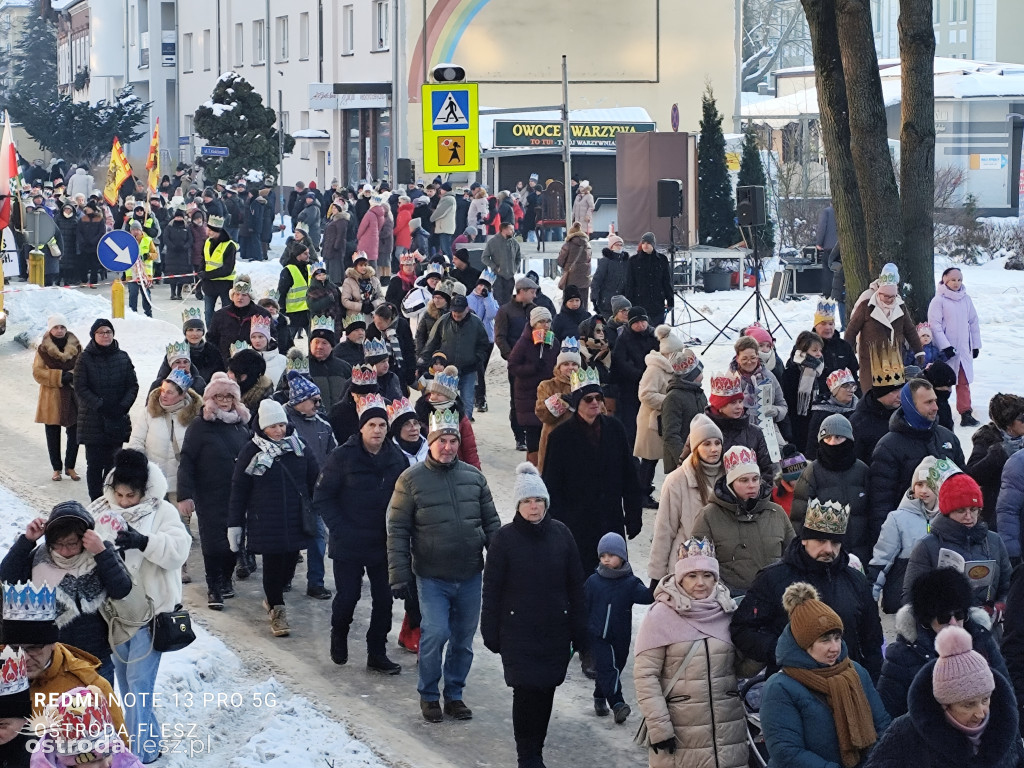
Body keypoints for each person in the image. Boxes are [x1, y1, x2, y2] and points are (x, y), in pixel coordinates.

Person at [387, 407, 501, 723]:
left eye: (453, 440)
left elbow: (492, 524)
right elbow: (397, 528)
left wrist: (504, 565)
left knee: (463, 639)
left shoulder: (474, 478)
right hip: (432, 575)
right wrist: (398, 573)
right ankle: (428, 695)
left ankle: (454, 694)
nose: (448, 446)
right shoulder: (410, 480)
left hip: (469, 574)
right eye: (442, 440)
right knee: (435, 633)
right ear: (431, 442)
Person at [481, 463, 587, 768]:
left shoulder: (561, 535)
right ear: (518, 505)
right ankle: (526, 755)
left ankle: (536, 749)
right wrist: (490, 629)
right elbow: (492, 588)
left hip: (554, 631)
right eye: (527, 501)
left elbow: (575, 586)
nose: (533, 507)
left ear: (546, 503)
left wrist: (580, 631)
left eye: (538, 500)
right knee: (525, 693)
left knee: (546, 691)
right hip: (517, 632)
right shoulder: (505, 539)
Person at [89, 449, 189, 764]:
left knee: (138, 686)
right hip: (115, 615)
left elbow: (178, 551)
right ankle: (151, 744)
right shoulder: (100, 509)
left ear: (143, 490)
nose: (124, 501)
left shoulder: (163, 511)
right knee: (127, 684)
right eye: (118, 494)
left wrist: (143, 542)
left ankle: (134, 756)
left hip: (152, 614)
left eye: (130, 495)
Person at [634, 538, 755, 768]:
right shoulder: (660, 615)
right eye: (692, 576)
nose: (701, 583)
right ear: (680, 578)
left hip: (728, 735)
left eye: (707, 575)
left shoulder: (728, 610)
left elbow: (737, 670)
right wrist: (659, 728)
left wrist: (758, 651)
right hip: (680, 736)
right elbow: (645, 677)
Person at [730, 500, 884, 679]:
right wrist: (781, 650)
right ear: (804, 539)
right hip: (792, 683)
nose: (828, 549)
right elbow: (742, 629)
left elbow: (872, 641)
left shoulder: (856, 581)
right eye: (820, 540)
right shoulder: (773, 578)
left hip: (845, 680)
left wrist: (870, 685)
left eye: (835, 542)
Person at [313, 393, 406, 672]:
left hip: (382, 542)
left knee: (383, 600)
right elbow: (323, 497)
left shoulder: (396, 457)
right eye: (371, 425)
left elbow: (405, 496)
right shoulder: (342, 456)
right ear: (361, 428)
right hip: (349, 542)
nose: (377, 430)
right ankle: (339, 633)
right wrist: (341, 528)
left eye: (381, 425)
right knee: (349, 595)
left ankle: (376, 652)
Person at [0, 502, 132, 687]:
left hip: (95, 659)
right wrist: (27, 541)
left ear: (85, 538)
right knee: (51, 714)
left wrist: (102, 553)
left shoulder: (99, 553)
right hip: (51, 660)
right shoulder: (39, 558)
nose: (64, 551)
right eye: (58, 544)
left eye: (72, 544)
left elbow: (121, 589)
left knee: (101, 711)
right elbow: (5, 581)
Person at [760, 583, 890, 768]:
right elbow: (786, 752)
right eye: (825, 640)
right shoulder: (780, 687)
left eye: (837, 638)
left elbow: (882, 724)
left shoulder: (856, 672)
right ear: (805, 644)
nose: (835, 647)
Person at [867, 625, 1022, 768]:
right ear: (945, 704)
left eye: (985, 699)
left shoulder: (1006, 725)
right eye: (968, 704)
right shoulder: (905, 734)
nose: (981, 713)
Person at [228, 400, 319, 637]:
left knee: (289, 564)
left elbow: (315, 479)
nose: (279, 431)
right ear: (262, 428)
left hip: (295, 517)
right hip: (265, 520)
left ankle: (275, 596)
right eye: (273, 427)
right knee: (272, 565)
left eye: (282, 425)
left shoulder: (299, 447)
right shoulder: (252, 450)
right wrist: (235, 523)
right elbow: (239, 489)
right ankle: (277, 608)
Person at [543, 369, 644, 576]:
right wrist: (557, 526)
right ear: (578, 401)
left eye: (598, 397)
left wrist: (634, 513)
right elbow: (552, 485)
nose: (595, 402)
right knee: (581, 581)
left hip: (611, 519)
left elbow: (629, 474)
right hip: (577, 523)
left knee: (614, 580)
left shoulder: (615, 429)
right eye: (589, 398)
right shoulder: (561, 437)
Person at [876, 567, 1008, 720]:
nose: (953, 623)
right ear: (927, 619)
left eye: (959, 615)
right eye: (944, 618)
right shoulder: (903, 654)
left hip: (983, 736)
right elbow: (887, 713)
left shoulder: (982, 640)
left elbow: (1006, 698)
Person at [177, 373, 252, 607]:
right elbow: (187, 460)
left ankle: (226, 578)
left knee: (234, 539)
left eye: (229, 396)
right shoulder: (200, 426)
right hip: (209, 493)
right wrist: (184, 495)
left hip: (237, 494)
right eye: (218, 395)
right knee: (212, 541)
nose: (224, 400)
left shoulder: (241, 426)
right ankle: (213, 587)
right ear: (210, 397)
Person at [691, 446, 794, 595]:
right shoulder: (708, 516)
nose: (752, 485)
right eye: (744, 480)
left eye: (755, 479)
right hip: (728, 601)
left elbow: (793, 558)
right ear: (731, 483)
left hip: (773, 599)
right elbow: (698, 565)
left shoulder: (777, 513)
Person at [904, 473, 1010, 612]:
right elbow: (910, 597)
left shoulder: (994, 541)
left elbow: (1008, 586)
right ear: (948, 512)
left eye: (973, 510)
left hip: (987, 627)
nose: (969, 516)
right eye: (961, 511)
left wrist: (1000, 607)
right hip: (945, 627)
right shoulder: (927, 546)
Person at [868, 457, 959, 614]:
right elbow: (882, 559)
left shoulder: (949, 518)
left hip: (940, 598)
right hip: (903, 595)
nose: (923, 490)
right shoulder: (897, 518)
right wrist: (870, 597)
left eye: (929, 485)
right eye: (919, 484)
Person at [869, 378, 965, 523]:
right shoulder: (888, 447)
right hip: (909, 532)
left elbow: (963, 483)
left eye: (935, 400)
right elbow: (881, 504)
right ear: (911, 406)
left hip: (949, 528)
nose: (936, 407)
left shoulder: (947, 437)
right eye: (928, 402)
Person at [584, 532, 654, 723]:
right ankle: (617, 704)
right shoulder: (593, 581)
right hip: (598, 636)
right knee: (608, 669)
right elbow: (583, 606)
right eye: (603, 556)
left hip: (621, 636)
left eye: (611, 556)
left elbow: (648, 597)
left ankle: (600, 697)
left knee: (616, 667)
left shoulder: (630, 583)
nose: (606, 560)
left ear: (622, 557)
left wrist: (657, 579)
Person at [649, 415, 724, 585]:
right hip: (685, 568)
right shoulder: (677, 480)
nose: (714, 449)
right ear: (696, 447)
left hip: (720, 571)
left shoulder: (730, 478)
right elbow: (664, 530)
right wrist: (657, 576)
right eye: (707, 444)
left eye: (717, 443)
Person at [790, 414, 873, 563]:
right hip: (825, 556)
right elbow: (799, 520)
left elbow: (872, 513)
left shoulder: (863, 471)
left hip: (861, 556)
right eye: (827, 438)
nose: (833, 443)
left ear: (849, 440)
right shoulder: (811, 473)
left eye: (838, 437)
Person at [74, 319, 139, 501]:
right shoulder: (85, 358)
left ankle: (110, 498)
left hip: (117, 419)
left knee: (113, 464)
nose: (105, 335)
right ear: (94, 335)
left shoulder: (122, 357)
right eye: (101, 332)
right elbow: (80, 387)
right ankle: (96, 500)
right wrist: (100, 404)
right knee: (94, 464)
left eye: (108, 332)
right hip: (93, 420)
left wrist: (122, 406)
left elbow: (132, 385)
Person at [846, 263, 925, 392]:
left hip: (893, 359)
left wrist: (918, 350)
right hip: (870, 359)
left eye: (892, 297)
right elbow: (852, 329)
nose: (889, 300)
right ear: (879, 293)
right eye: (886, 296)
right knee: (871, 393)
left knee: (893, 393)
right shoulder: (867, 306)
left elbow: (909, 330)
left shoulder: (900, 307)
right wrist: (847, 350)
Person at [684, 371, 773, 486]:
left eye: (740, 401)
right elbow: (686, 463)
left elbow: (766, 470)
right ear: (720, 407)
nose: (739, 407)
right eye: (733, 403)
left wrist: (759, 495)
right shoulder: (703, 431)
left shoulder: (755, 432)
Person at [28, 684, 147, 768]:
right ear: (69, 762)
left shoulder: (122, 761)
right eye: (94, 761)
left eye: (108, 754)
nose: (106, 765)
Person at [635, 327, 688, 502]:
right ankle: (642, 493)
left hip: (663, 420)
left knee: (657, 458)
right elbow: (645, 394)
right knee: (650, 459)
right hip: (652, 421)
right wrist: (670, 401)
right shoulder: (655, 369)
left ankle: (647, 490)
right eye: (677, 352)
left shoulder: (672, 369)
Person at [419, 294, 491, 421]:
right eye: (454, 312)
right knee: (444, 401)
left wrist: (478, 358)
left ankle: (464, 430)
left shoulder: (476, 323)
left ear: (467, 309)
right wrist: (424, 361)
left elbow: (484, 344)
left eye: (460, 312)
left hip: (469, 369)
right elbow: (432, 342)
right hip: (445, 370)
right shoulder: (443, 321)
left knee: (467, 402)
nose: (457, 315)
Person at [927, 267, 982, 427]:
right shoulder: (939, 301)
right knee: (944, 383)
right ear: (945, 280)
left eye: (959, 280)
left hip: (964, 349)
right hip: (946, 352)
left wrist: (976, 345)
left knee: (963, 382)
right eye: (953, 280)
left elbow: (973, 322)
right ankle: (940, 412)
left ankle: (966, 412)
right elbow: (934, 325)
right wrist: (945, 346)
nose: (956, 283)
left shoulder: (966, 299)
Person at [508, 307, 559, 465]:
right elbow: (512, 365)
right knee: (533, 438)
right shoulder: (524, 342)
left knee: (549, 435)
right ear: (534, 323)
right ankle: (532, 470)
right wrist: (532, 368)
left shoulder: (553, 342)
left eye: (548, 321)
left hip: (548, 394)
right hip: (528, 395)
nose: (545, 325)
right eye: (541, 321)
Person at [34, 314, 81, 483]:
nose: (59, 330)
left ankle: (70, 466)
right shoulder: (43, 349)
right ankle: (56, 468)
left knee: (75, 432)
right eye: (55, 327)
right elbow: (38, 372)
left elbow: (82, 368)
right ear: (50, 329)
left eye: (62, 327)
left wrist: (72, 375)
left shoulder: (76, 347)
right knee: (52, 434)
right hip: (51, 398)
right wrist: (59, 376)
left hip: (73, 395)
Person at [968, 393, 1024, 533]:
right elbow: (972, 475)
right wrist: (999, 454)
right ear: (1009, 422)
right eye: (1022, 418)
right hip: (997, 512)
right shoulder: (987, 438)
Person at [494, 277, 538, 451]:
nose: (534, 295)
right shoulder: (505, 311)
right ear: (522, 291)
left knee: (535, 398)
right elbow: (500, 337)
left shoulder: (535, 311)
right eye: (532, 292)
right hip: (517, 365)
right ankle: (520, 436)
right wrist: (512, 357)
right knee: (518, 400)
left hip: (535, 363)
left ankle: (534, 432)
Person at [612, 306, 659, 463]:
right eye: (636, 323)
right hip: (630, 389)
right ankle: (631, 461)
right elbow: (620, 362)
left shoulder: (654, 336)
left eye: (643, 322)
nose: (641, 325)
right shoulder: (624, 338)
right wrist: (640, 375)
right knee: (630, 426)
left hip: (651, 387)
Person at [730, 335, 789, 445]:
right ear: (737, 358)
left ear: (758, 355)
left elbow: (782, 404)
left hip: (767, 428)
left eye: (752, 358)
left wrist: (776, 411)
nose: (749, 362)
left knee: (782, 455)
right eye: (744, 359)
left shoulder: (769, 377)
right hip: (739, 429)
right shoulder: (731, 379)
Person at [534, 339, 581, 472]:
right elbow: (543, 414)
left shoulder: (587, 385)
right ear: (559, 367)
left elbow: (601, 412)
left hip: (581, 441)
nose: (570, 367)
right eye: (566, 364)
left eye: (574, 364)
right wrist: (561, 402)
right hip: (554, 441)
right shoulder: (547, 386)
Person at [206, 276, 276, 363]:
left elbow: (272, 338)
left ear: (250, 296)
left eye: (244, 295)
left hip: (255, 363)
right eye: (237, 294)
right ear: (232, 295)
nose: (240, 298)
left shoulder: (262, 314)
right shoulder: (220, 315)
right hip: (225, 364)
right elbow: (211, 339)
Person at [849, 355, 905, 463]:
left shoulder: (905, 414)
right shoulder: (859, 422)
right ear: (881, 393)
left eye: (901, 390)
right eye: (894, 391)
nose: (900, 396)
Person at [659, 349, 706, 473]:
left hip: (698, 455)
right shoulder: (674, 398)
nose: (702, 373)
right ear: (692, 376)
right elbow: (670, 435)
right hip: (680, 463)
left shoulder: (697, 392)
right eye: (699, 371)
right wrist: (684, 460)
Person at [782, 331, 826, 451]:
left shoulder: (821, 369)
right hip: (797, 422)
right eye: (814, 350)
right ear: (803, 351)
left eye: (820, 350)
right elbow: (788, 400)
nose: (819, 354)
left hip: (817, 419)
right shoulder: (791, 372)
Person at [806, 367, 859, 459]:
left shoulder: (858, 409)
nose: (851, 390)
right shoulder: (821, 413)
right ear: (835, 389)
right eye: (846, 386)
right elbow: (813, 444)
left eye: (853, 386)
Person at [467, 270, 500, 412]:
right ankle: (480, 398)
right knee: (478, 369)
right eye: (480, 285)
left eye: (485, 286)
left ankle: (476, 392)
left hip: (487, 339)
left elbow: (492, 314)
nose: (482, 288)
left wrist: (487, 298)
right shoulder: (468, 299)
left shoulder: (492, 300)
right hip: (472, 339)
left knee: (481, 369)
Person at [625, 233, 674, 327]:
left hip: (657, 302)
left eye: (648, 242)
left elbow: (667, 281)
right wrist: (629, 303)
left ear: (653, 244)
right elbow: (629, 283)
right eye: (643, 243)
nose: (645, 245)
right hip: (639, 302)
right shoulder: (633, 261)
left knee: (657, 331)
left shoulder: (662, 259)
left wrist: (670, 300)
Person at [199, 214, 238, 325]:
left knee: (227, 312)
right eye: (208, 229)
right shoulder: (207, 242)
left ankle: (226, 333)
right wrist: (200, 272)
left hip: (225, 284)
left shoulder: (230, 246)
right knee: (208, 313)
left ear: (219, 231)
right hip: (209, 284)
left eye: (212, 230)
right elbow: (204, 259)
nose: (209, 232)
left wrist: (207, 274)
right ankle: (211, 336)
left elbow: (227, 269)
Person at [813, 298, 859, 388]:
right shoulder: (806, 346)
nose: (827, 328)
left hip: (843, 396)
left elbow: (853, 372)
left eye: (831, 324)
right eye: (823, 324)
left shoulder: (844, 347)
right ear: (815, 326)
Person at [481, 221, 522, 305]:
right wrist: (494, 267)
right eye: (511, 229)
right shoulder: (492, 242)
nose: (513, 231)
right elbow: (484, 258)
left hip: (510, 277)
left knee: (509, 302)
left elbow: (518, 257)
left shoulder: (514, 243)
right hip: (497, 277)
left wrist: (514, 268)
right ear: (504, 230)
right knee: (498, 301)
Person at [591, 234, 628, 318]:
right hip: (607, 302)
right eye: (616, 244)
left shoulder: (626, 262)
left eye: (621, 244)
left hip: (623, 301)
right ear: (611, 246)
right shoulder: (605, 261)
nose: (619, 247)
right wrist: (594, 298)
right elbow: (597, 281)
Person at [557, 224, 593, 308]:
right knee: (583, 304)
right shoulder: (587, 245)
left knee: (570, 303)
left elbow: (560, 261)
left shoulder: (567, 245)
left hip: (571, 280)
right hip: (585, 280)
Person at [162, 207, 193, 300]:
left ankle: (179, 293)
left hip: (183, 255)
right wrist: (172, 246)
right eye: (177, 217)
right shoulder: (169, 227)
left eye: (180, 217)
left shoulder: (186, 227)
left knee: (182, 275)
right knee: (173, 274)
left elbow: (190, 239)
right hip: (172, 254)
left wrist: (185, 246)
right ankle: (172, 292)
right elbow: (165, 238)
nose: (179, 219)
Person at [305, 261, 343, 337]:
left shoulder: (333, 286)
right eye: (319, 275)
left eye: (323, 274)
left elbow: (340, 301)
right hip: (321, 322)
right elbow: (312, 306)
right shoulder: (312, 289)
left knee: (335, 341)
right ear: (314, 276)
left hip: (335, 320)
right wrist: (327, 300)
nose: (322, 276)